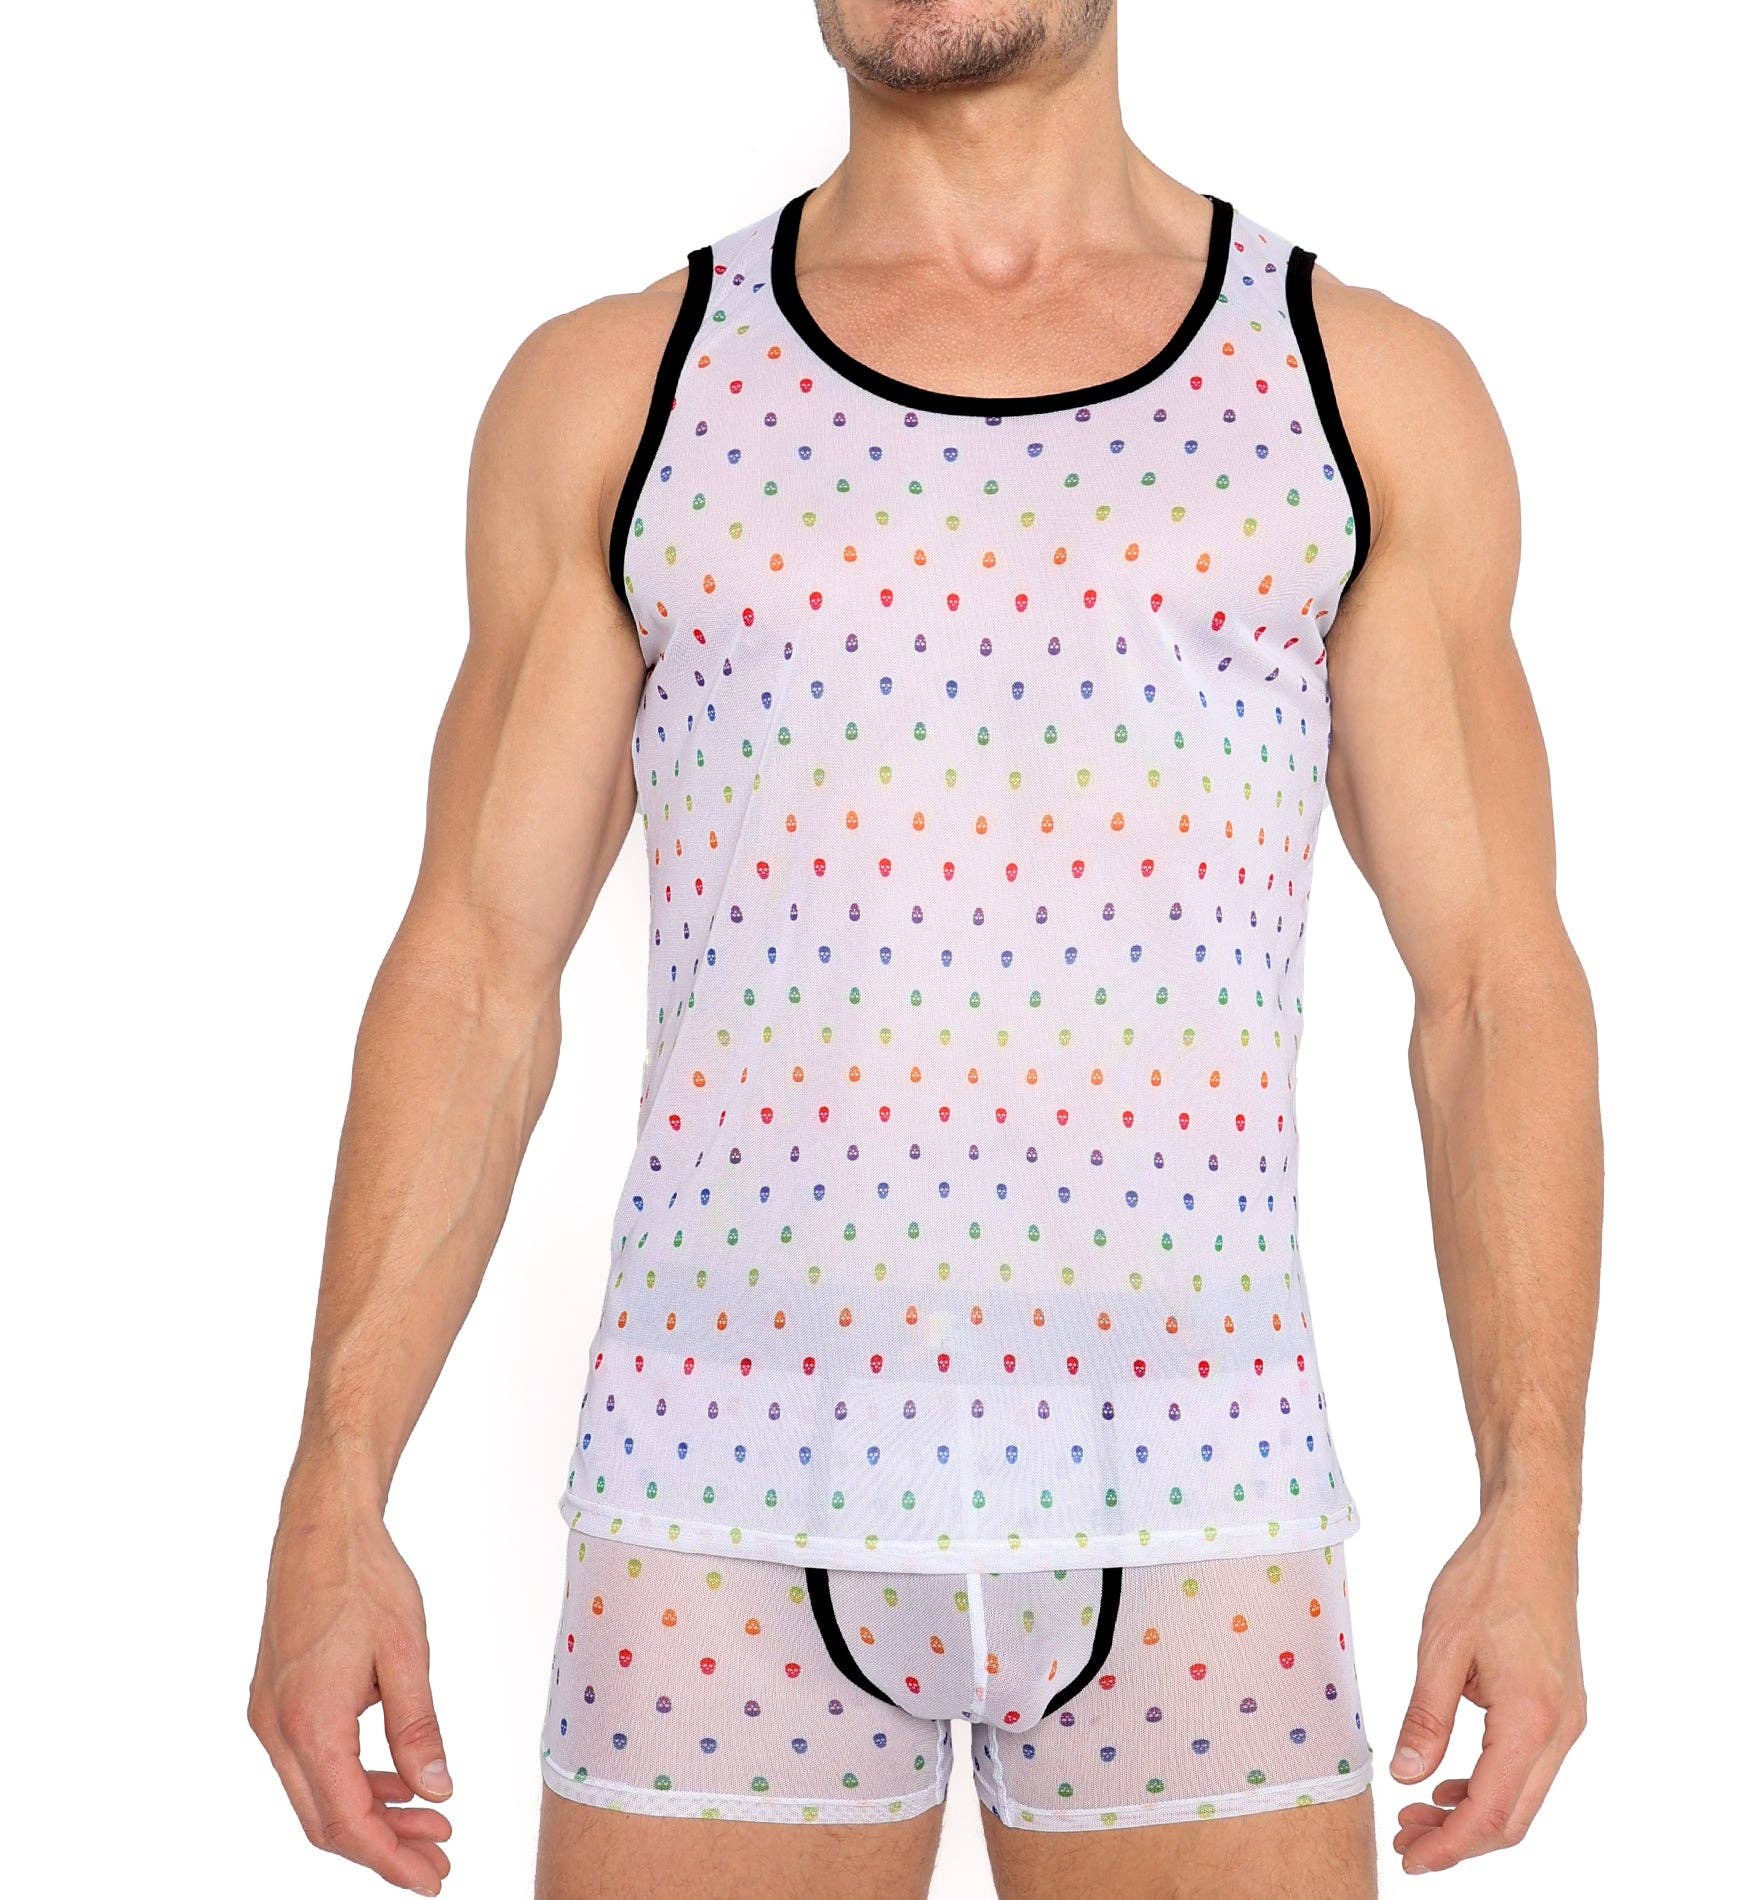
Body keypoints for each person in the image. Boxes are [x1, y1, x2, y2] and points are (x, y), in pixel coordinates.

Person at [248, 4, 1602, 1895]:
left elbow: (1491, 994)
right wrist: (335, 1486)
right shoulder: (626, 390)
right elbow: (476, 970)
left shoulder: (1350, 392)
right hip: (712, 1511)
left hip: (1199, 1508)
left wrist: (1535, 1511)